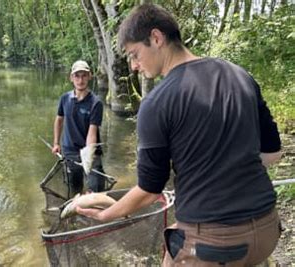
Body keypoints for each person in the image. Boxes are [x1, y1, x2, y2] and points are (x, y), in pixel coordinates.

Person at [77, 4, 283, 266]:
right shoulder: (240, 75)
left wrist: (108, 215)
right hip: (268, 230)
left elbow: (150, 191)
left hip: (217, 246)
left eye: (135, 54)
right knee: (177, 234)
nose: (134, 66)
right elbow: (274, 153)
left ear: (156, 38)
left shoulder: (157, 103)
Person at [51, 60, 106, 195]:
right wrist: (56, 143)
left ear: (89, 76)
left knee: (95, 192)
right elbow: (59, 120)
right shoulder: (65, 99)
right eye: (77, 76)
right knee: (74, 190)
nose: (80, 80)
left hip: (90, 152)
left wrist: (88, 157)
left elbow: (92, 132)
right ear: (71, 77)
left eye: (84, 75)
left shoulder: (96, 103)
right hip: (70, 151)